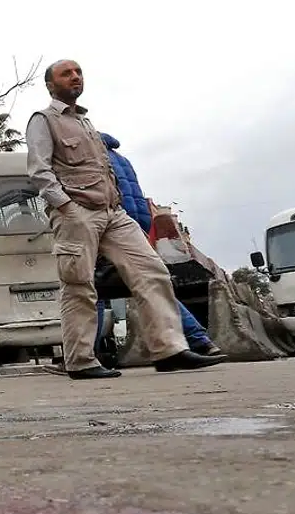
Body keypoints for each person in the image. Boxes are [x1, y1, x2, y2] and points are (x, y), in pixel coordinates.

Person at [26, 60, 226, 378]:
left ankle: (169, 350)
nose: (75, 76)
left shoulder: (86, 122)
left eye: (79, 71)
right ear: (51, 85)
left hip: (113, 214)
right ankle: (80, 361)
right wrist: (67, 207)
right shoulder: (43, 120)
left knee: (152, 271)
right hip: (77, 213)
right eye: (66, 73)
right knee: (79, 284)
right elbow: (39, 170)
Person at [95, 132, 222, 358]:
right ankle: (198, 339)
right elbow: (137, 197)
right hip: (136, 226)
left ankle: (88, 354)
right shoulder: (122, 159)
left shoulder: (92, 153)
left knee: (92, 290)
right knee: (152, 285)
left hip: (112, 225)